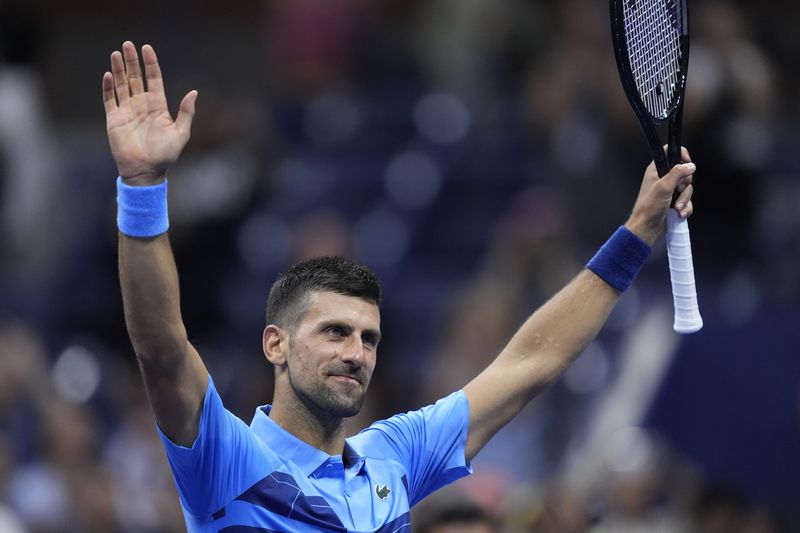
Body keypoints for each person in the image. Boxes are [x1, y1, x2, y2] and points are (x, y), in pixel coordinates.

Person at [102, 41, 696, 532]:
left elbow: (530, 363)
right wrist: (143, 185)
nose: (356, 353)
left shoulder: (395, 455)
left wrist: (637, 230)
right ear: (274, 344)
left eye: (368, 338)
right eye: (334, 331)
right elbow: (160, 344)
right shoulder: (226, 459)